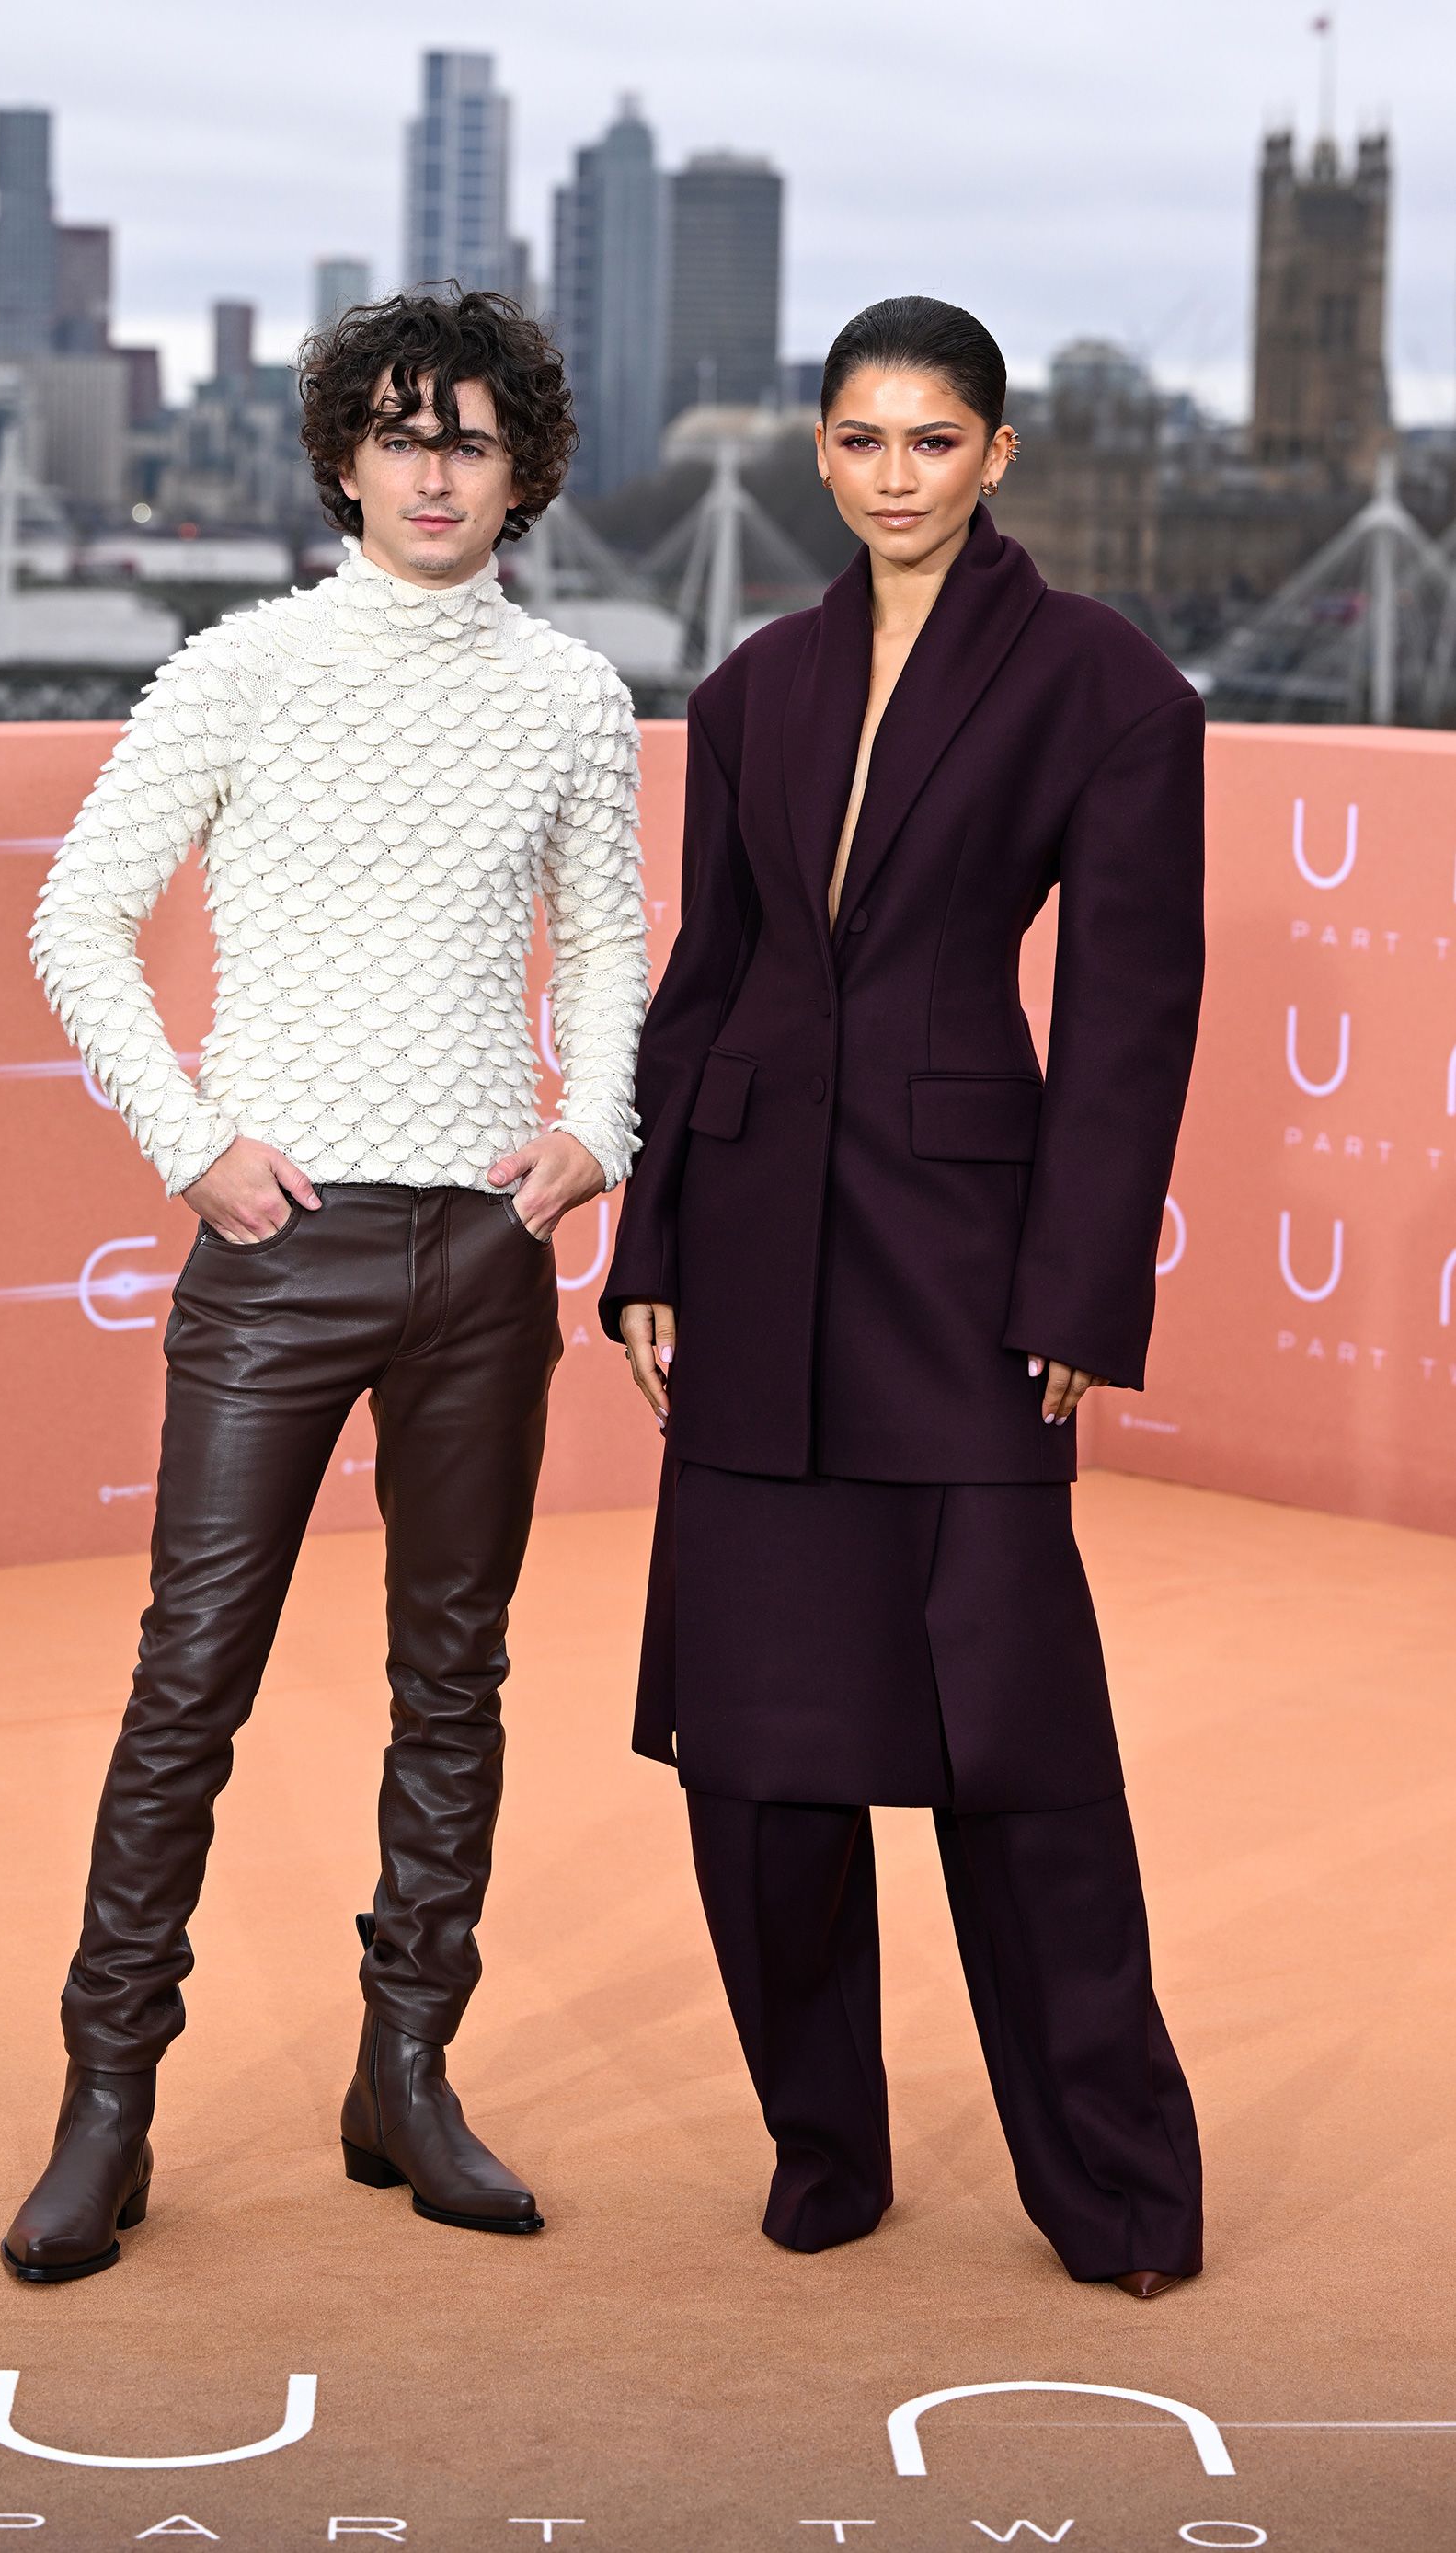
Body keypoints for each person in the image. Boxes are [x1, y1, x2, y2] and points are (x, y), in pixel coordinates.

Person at [3, 289, 646, 2280]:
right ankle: (106, 2102)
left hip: (477, 1252)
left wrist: (594, 1126)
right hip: (277, 1258)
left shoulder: (573, 697)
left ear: (521, 468)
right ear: (342, 458)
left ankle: (408, 2067)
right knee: (187, 1678)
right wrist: (191, 1142)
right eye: (398, 432)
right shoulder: (241, 667)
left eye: (469, 437)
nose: (434, 469)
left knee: (452, 1677)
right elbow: (76, 918)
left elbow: (610, 946)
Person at [602, 295, 1205, 2301]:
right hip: (754, 1250)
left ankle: (1115, 2187)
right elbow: (707, 985)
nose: (889, 476)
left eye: (929, 441)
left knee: (1018, 1744)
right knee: (759, 1750)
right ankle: (823, 2145)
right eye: (857, 439)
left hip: (965, 1271)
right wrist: (654, 1244)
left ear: (997, 455)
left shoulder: (1104, 684)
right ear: (820, 453)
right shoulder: (753, 686)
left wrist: (1075, 1291)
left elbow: (1130, 1017)